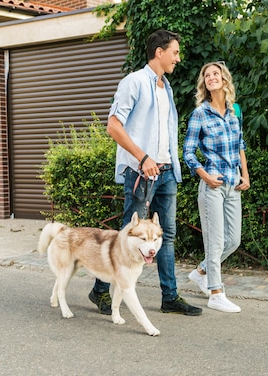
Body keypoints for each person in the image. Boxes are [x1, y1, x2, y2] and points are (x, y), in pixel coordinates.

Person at [88, 29, 202, 316]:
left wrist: (168, 164)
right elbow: (113, 126)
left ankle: (170, 297)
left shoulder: (167, 88)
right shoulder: (134, 82)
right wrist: (143, 157)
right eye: (175, 52)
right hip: (141, 170)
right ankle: (100, 290)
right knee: (128, 233)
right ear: (159, 52)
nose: (179, 58)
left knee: (168, 234)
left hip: (165, 171)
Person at [183, 61, 250, 313]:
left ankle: (201, 272)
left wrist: (245, 175)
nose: (211, 77)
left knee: (233, 240)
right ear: (204, 83)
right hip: (212, 185)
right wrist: (205, 177)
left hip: (233, 185)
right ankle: (215, 292)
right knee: (214, 242)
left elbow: (240, 145)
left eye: (215, 73)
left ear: (224, 79)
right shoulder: (200, 113)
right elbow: (188, 153)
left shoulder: (234, 112)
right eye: (207, 75)